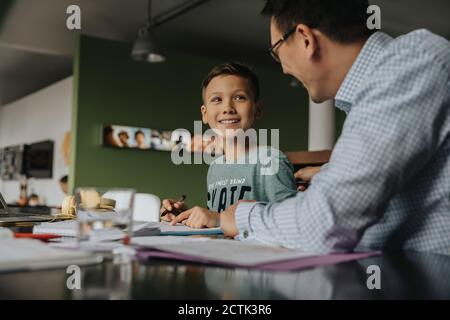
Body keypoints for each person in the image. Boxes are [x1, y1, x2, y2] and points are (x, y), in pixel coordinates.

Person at [175, 0, 450, 254]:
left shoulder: (408, 68)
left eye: (276, 51)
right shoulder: (384, 83)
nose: (282, 68)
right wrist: (328, 174)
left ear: (306, 39)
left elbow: (323, 225)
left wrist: (241, 216)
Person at [161, 62, 298, 228]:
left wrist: (219, 218)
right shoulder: (215, 167)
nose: (227, 108)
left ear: (257, 109)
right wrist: (185, 216)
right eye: (217, 99)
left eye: (239, 97)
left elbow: (292, 221)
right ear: (205, 114)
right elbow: (219, 218)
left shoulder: (271, 160)